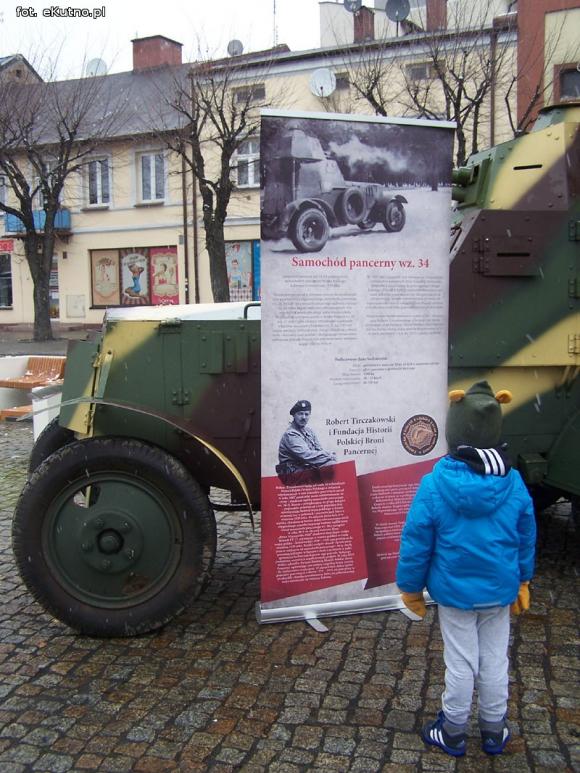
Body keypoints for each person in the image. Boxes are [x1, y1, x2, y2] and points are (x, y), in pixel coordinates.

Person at [395, 381, 536, 758]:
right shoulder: (514, 482)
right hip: (499, 591)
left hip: (455, 594)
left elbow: (416, 540)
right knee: (495, 660)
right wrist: (524, 578)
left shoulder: (434, 483)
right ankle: (493, 728)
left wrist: (410, 587)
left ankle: (453, 730)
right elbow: (526, 535)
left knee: (460, 662)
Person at [277, 400, 336, 481]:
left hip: (305, 468)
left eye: (306, 414)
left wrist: (328, 457)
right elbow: (307, 455)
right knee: (331, 465)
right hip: (292, 473)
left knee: (331, 465)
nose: (303, 417)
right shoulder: (290, 434)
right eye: (300, 414)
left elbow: (318, 450)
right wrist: (329, 455)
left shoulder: (309, 432)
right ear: (294, 415)